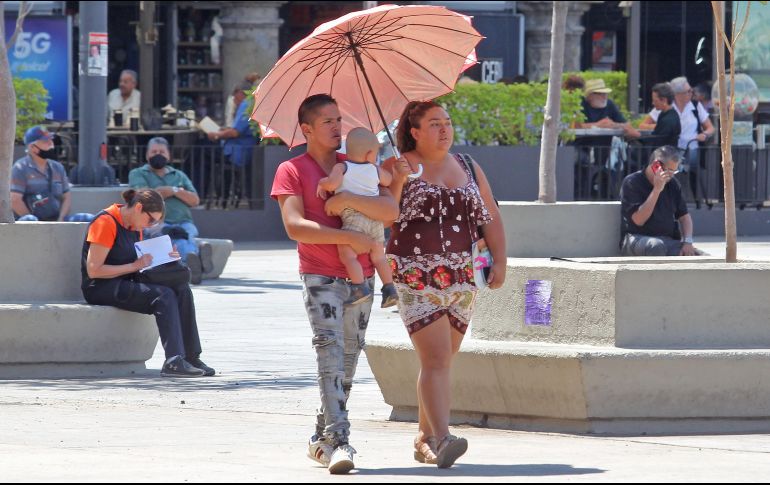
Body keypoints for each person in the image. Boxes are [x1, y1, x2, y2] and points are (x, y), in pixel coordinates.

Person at [270, 94, 398, 474]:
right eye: (327, 121)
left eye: (339, 119)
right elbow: (295, 226)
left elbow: (390, 211)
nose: (337, 127)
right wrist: (347, 237)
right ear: (306, 129)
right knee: (330, 353)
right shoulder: (292, 169)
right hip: (320, 275)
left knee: (348, 361)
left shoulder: (357, 163)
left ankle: (321, 438)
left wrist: (352, 196)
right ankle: (341, 441)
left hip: (363, 275)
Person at [382, 101, 506, 469]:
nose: (444, 129)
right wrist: (399, 178)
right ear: (415, 131)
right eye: (434, 123)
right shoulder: (396, 165)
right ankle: (442, 437)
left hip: (464, 277)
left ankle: (424, 439)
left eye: (447, 122)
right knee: (436, 359)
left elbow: (490, 214)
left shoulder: (467, 164)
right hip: (415, 277)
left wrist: (501, 260)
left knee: (441, 361)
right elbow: (385, 214)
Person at [81, 188, 215, 377]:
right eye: (151, 220)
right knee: (163, 296)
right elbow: (94, 270)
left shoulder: (135, 227)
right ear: (138, 208)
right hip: (101, 287)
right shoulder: (105, 222)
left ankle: (191, 357)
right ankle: (173, 361)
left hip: (127, 280)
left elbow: (139, 263)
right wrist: (134, 266)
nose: (150, 225)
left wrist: (166, 258)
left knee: (182, 289)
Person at [316, 127, 399, 308]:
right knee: (379, 257)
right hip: (375, 219)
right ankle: (390, 288)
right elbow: (388, 180)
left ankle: (359, 287)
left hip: (354, 218)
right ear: (370, 154)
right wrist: (377, 169)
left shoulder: (342, 167)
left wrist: (322, 183)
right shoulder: (374, 169)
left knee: (347, 255)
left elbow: (332, 184)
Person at [128, 137, 213, 285]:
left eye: (162, 152)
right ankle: (196, 255)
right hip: (157, 223)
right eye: (154, 152)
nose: (158, 155)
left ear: (169, 155)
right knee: (176, 236)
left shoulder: (179, 175)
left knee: (185, 233)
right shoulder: (138, 173)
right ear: (147, 155)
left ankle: (191, 263)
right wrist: (171, 192)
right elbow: (143, 196)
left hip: (184, 221)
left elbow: (194, 200)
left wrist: (173, 190)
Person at [619, 145, 704, 256]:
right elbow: (638, 220)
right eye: (670, 171)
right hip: (636, 238)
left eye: (674, 171)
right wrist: (657, 190)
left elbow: (684, 217)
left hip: (666, 240)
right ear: (656, 166)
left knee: (699, 256)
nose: (671, 175)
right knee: (656, 246)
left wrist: (688, 242)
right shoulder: (632, 182)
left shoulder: (673, 184)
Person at [642, 77, 715, 206]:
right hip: (670, 149)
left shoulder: (695, 106)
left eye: (691, 91)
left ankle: (690, 198)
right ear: (677, 94)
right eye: (688, 91)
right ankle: (664, 196)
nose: (691, 93)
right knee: (663, 161)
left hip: (691, 148)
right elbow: (643, 125)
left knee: (687, 160)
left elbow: (710, 127)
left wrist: (704, 134)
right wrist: (661, 126)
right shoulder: (667, 107)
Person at [11, 126, 94, 222]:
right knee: (30, 219)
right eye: (45, 141)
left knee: (90, 219)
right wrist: (36, 225)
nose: (51, 144)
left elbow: (66, 197)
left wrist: (60, 220)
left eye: (51, 139)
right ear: (33, 147)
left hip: (57, 219)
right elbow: (15, 200)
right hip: (31, 222)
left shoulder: (57, 167)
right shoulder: (20, 168)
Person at [207, 80, 260, 204]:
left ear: (241, 93)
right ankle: (222, 196)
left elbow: (235, 132)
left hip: (237, 151)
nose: (234, 100)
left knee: (203, 156)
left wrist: (217, 135)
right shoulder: (252, 104)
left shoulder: (246, 104)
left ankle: (210, 195)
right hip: (243, 149)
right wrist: (222, 131)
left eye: (235, 97)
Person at [638, 83, 682, 147]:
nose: (653, 103)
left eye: (655, 101)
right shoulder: (665, 114)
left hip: (666, 152)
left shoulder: (668, 120)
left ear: (664, 100)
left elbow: (657, 140)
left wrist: (637, 135)